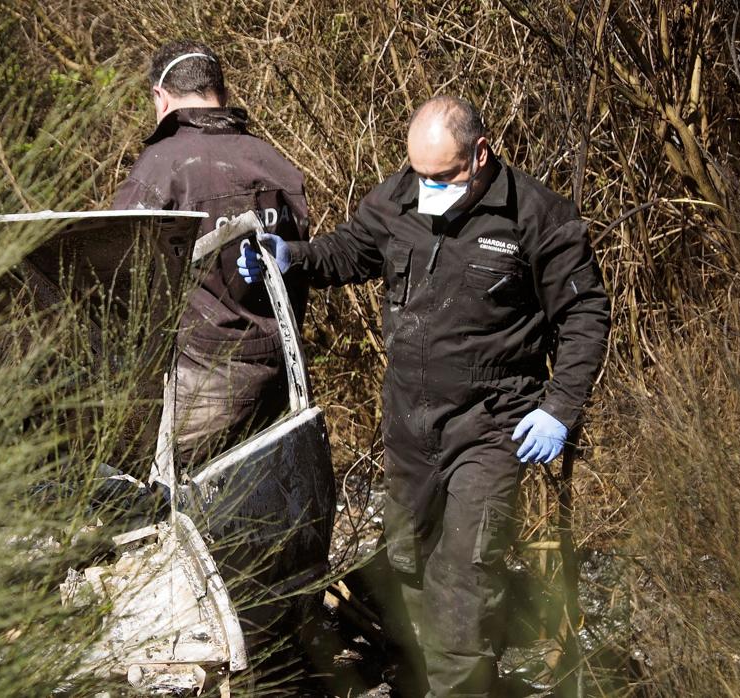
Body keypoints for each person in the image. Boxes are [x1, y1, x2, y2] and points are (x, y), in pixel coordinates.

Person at [238, 95, 611, 697]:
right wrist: (291, 259)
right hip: (410, 423)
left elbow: (586, 313)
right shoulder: (401, 195)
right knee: (407, 562)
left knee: (465, 575)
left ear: (481, 155)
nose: (428, 187)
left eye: (443, 177)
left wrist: (559, 409)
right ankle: (426, 677)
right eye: (419, 174)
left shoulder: (537, 216)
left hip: (492, 426)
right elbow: (350, 252)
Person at [112, 40, 310, 469]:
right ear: (221, 91)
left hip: (201, 387)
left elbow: (112, 276)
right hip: (282, 380)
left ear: (160, 98)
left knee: (122, 481)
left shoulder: (162, 166)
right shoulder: (276, 162)